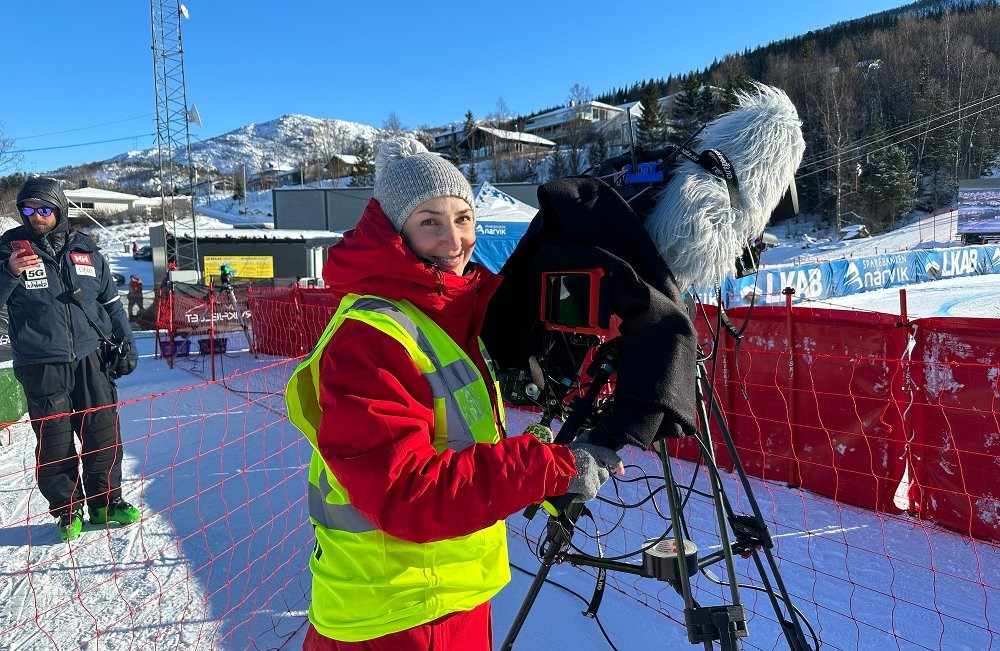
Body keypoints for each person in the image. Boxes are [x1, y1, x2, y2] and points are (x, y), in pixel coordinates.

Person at [285, 137, 623, 650]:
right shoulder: (373, 337)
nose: (454, 241)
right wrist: (546, 468)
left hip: (441, 595)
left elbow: (454, 445)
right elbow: (407, 492)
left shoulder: (441, 318)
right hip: (400, 616)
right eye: (430, 222)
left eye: (463, 218)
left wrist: (536, 464)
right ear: (396, 232)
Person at [0, 177, 140, 542]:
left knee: (102, 432)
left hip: (90, 357)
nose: (37, 217)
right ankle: (66, 511)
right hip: (41, 363)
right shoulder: (8, 250)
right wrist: (8, 273)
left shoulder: (86, 249)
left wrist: (126, 341)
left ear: (59, 209)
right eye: (28, 209)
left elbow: (110, 302)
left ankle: (106, 503)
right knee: (54, 438)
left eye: (44, 209)